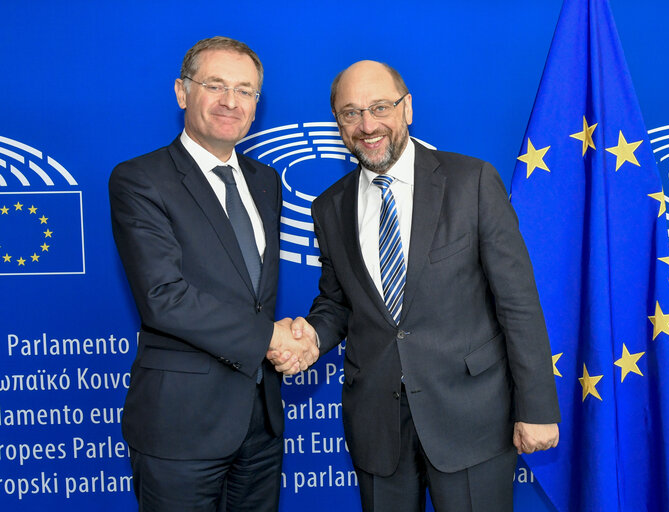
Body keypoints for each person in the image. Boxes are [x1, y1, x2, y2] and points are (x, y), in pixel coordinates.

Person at [270, 60, 560, 511]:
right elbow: (338, 301)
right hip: (377, 425)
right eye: (350, 113)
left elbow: (518, 303)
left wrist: (537, 409)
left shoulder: (472, 181)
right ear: (338, 124)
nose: (367, 125)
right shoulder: (329, 206)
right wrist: (311, 338)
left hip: (471, 419)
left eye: (380, 107)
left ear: (407, 109)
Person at [109, 36, 317, 512]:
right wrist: (270, 337)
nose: (231, 101)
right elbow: (165, 297)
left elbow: (252, 294)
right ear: (183, 92)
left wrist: (288, 337)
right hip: (180, 426)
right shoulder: (140, 180)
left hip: (260, 424)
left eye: (245, 90)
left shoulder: (266, 182)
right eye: (215, 85)